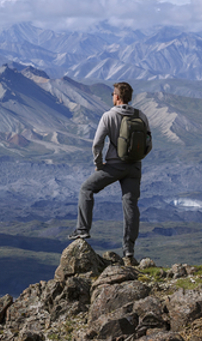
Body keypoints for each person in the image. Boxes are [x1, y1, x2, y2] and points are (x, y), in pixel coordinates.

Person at [68, 81, 147, 266]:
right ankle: (128, 252)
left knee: (86, 189)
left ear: (118, 97)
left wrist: (98, 164)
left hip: (113, 166)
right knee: (130, 206)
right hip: (134, 166)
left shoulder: (109, 116)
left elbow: (97, 143)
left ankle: (82, 229)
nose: (112, 96)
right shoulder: (140, 115)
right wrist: (137, 160)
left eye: (113, 94)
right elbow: (148, 140)